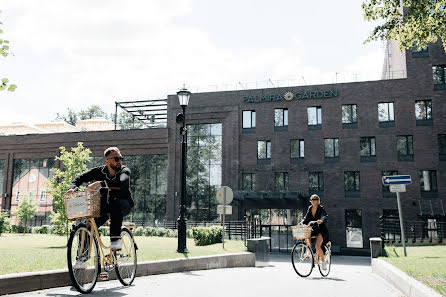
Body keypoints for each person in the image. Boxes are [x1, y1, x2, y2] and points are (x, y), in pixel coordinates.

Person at [67, 147, 134, 252]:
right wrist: (71, 188)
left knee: (116, 205)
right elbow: (80, 178)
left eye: (121, 158)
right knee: (87, 227)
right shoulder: (100, 171)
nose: (119, 161)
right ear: (107, 161)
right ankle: (81, 259)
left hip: (124, 204)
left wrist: (99, 183)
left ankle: (116, 240)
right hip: (105, 207)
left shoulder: (124, 171)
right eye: (116, 159)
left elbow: (120, 183)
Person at [301, 194, 329, 268]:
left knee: (317, 246)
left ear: (318, 201)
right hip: (314, 229)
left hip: (321, 230)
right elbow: (306, 218)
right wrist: (301, 222)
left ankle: (323, 262)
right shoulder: (310, 208)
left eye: (314, 199)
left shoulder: (320, 208)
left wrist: (321, 220)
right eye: (311, 200)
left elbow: (324, 215)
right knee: (307, 236)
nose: (312, 201)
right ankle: (309, 252)